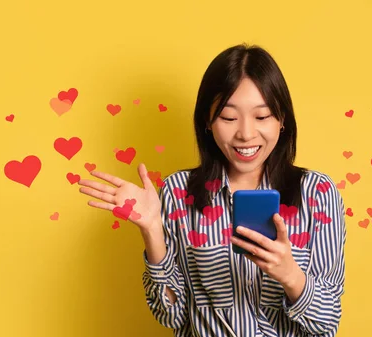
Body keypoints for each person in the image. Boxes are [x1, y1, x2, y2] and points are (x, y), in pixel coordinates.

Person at [78, 43, 347, 337]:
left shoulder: (317, 194)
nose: (245, 133)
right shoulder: (178, 192)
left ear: (282, 120)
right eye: (229, 117)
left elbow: (327, 323)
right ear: (207, 120)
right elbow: (170, 315)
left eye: (262, 116)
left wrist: (290, 275)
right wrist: (152, 230)